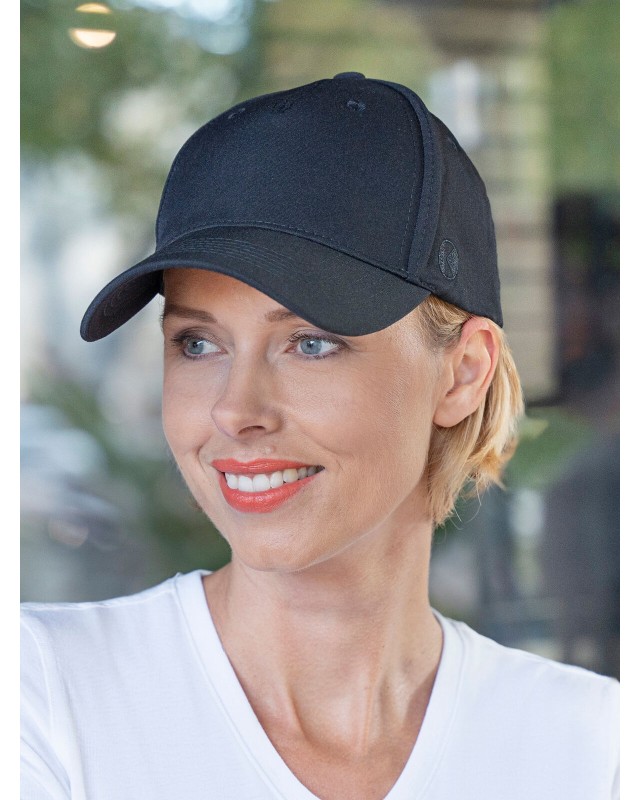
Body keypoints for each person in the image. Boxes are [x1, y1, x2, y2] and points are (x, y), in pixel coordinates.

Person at [21, 73, 619, 800]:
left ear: (462, 373)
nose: (235, 410)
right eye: (198, 344)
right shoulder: (39, 700)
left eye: (310, 343)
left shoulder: (594, 749)